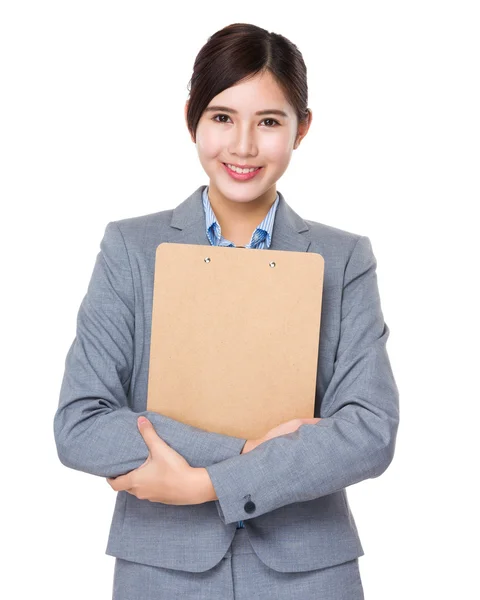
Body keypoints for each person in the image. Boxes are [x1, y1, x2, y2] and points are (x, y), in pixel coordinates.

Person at [53, 22, 399, 600]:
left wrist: (204, 484)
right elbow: (81, 424)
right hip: (164, 571)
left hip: (309, 572)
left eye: (268, 121)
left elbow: (368, 432)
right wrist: (240, 453)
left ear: (301, 128)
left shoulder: (343, 260)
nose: (242, 145)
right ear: (191, 116)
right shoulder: (130, 250)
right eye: (221, 116)